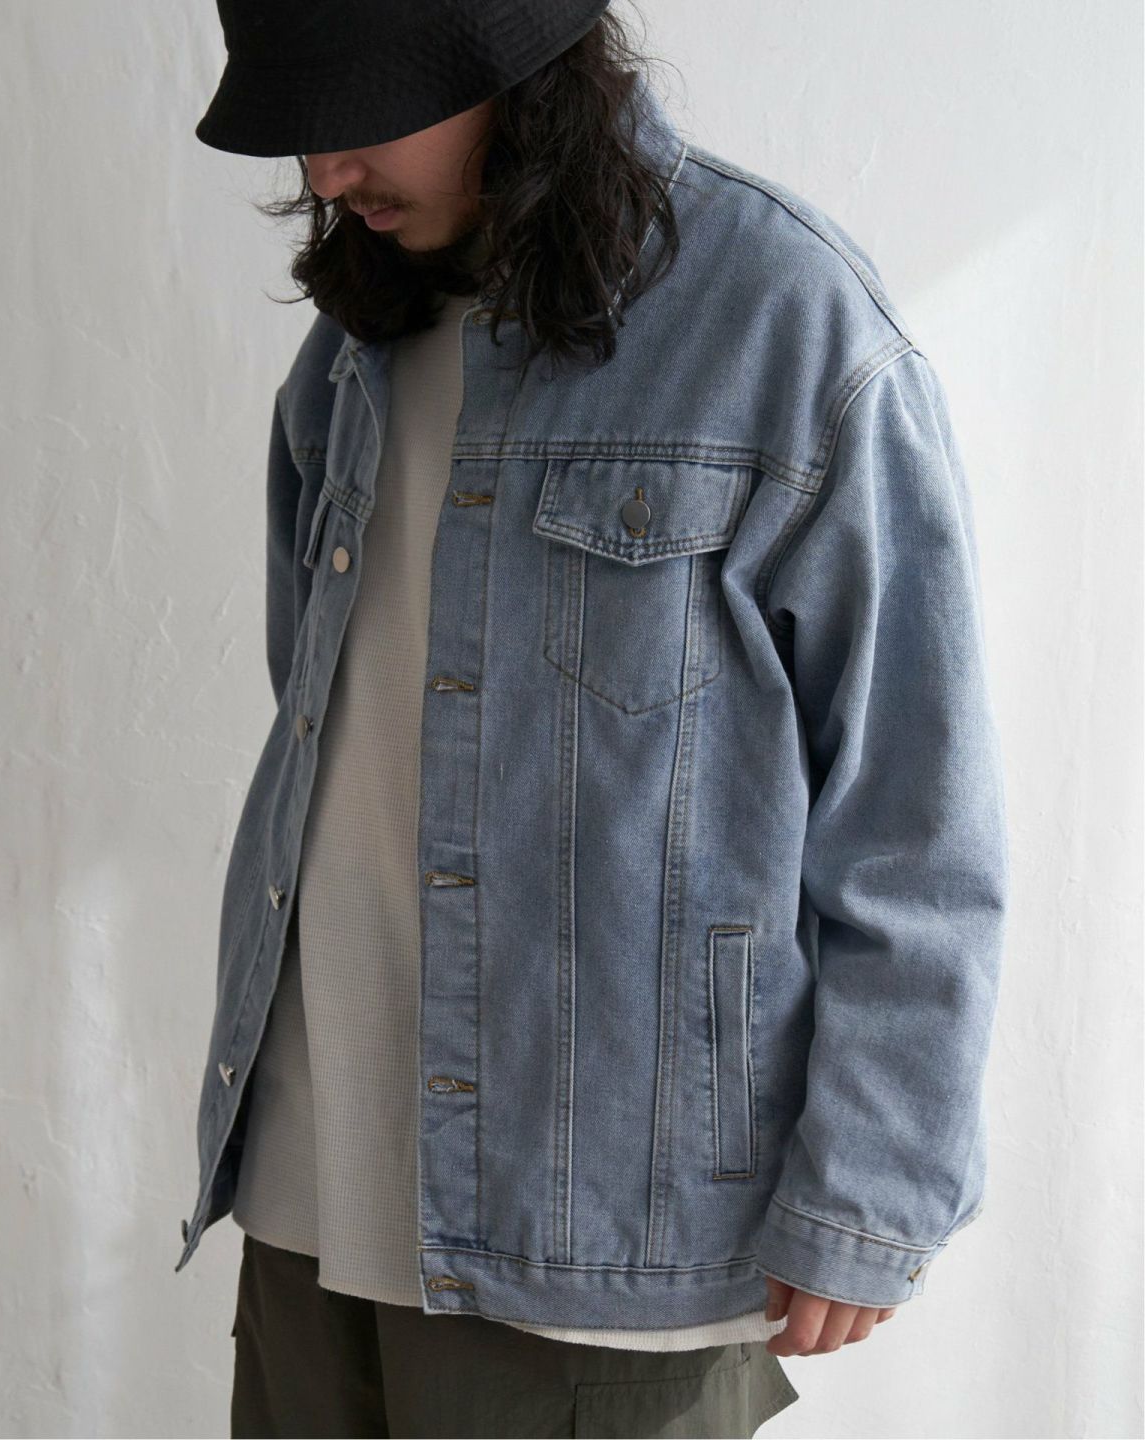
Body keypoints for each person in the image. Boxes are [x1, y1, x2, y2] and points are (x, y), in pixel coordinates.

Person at [177, 2, 1010, 1436]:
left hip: (602, 1237)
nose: (326, 173)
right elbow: (320, 722)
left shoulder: (779, 315)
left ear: (510, 62)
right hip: (311, 1196)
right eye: (303, 130)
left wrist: (875, 1186)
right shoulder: (355, 341)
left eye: (360, 117)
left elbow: (915, 812)